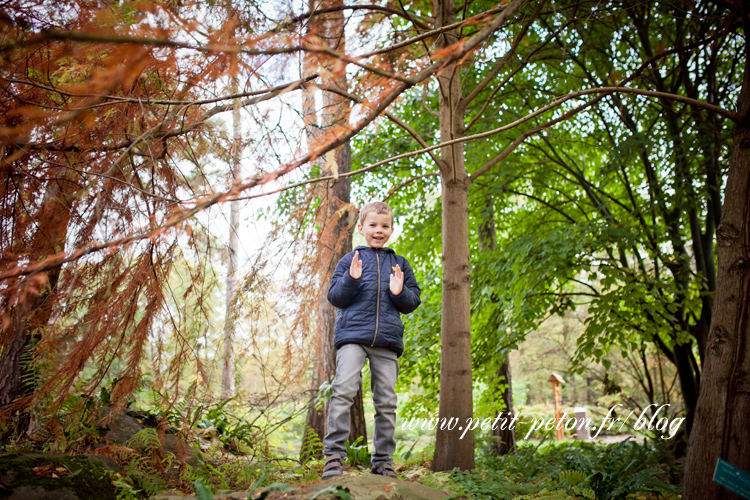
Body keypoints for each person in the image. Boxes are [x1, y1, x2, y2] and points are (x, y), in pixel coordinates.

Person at [321, 201, 421, 480]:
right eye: (373, 225)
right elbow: (335, 297)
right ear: (362, 228)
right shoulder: (350, 261)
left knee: (386, 401)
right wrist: (352, 279)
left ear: (391, 229)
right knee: (343, 390)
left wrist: (399, 292)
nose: (379, 230)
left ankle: (382, 461)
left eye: (385, 226)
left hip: (386, 341)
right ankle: (333, 458)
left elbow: (412, 301)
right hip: (353, 337)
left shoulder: (400, 264)